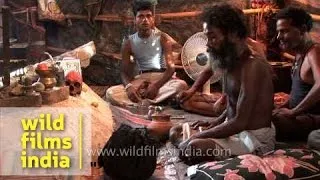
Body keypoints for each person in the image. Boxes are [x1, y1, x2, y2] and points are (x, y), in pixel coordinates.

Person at [171, 3, 275, 163]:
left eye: (212, 37)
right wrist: (215, 123)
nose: (207, 44)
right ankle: (192, 147)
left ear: (233, 34)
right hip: (234, 130)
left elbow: (240, 122)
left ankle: (192, 148)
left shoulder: (253, 66)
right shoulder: (229, 59)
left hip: (253, 139)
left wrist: (200, 134)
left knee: (195, 146)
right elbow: (233, 105)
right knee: (176, 131)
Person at [106, 1, 188, 106]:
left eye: (149, 16)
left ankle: (142, 101)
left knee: (181, 85)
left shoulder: (163, 38)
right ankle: (156, 100)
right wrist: (129, 87)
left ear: (153, 19)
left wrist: (156, 86)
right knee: (111, 93)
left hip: (162, 78)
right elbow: (124, 72)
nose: (145, 20)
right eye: (141, 16)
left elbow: (171, 69)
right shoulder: (129, 43)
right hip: (141, 80)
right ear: (135, 20)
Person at [272, 7, 320, 141]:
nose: (279, 37)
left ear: (303, 29)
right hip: (301, 115)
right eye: (278, 32)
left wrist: (294, 111)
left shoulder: (314, 51)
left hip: (313, 118)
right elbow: (299, 93)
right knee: (259, 113)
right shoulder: (299, 53)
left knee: (266, 122)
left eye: (284, 31)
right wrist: (283, 107)